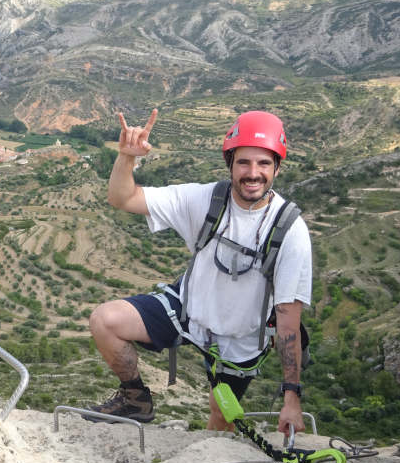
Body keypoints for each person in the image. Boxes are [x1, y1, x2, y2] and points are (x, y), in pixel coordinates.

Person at [86, 109, 312, 436]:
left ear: (277, 167)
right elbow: (123, 198)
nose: (253, 173)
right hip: (190, 310)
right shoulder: (207, 199)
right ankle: (135, 399)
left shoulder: (290, 230)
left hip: (241, 337)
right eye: (244, 163)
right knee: (105, 321)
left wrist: (292, 398)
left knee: (220, 421)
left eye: (263, 164)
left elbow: (288, 318)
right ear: (230, 164)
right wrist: (126, 158)